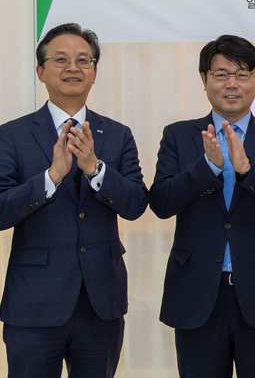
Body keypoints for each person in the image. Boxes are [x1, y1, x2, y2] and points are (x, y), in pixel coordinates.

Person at [149, 35, 255, 378]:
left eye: (242, 74)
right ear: (204, 79)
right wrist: (207, 167)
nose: (231, 84)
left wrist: (248, 169)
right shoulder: (178, 136)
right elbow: (161, 202)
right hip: (196, 292)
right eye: (221, 74)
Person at [0, 23, 148, 377]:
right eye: (61, 59)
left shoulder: (117, 134)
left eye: (84, 60)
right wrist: (51, 177)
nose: (73, 68)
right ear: (41, 71)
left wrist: (95, 168)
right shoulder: (11, 135)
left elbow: (136, 204)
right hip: (34, 304)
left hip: (101, 304)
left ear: (94, 73)